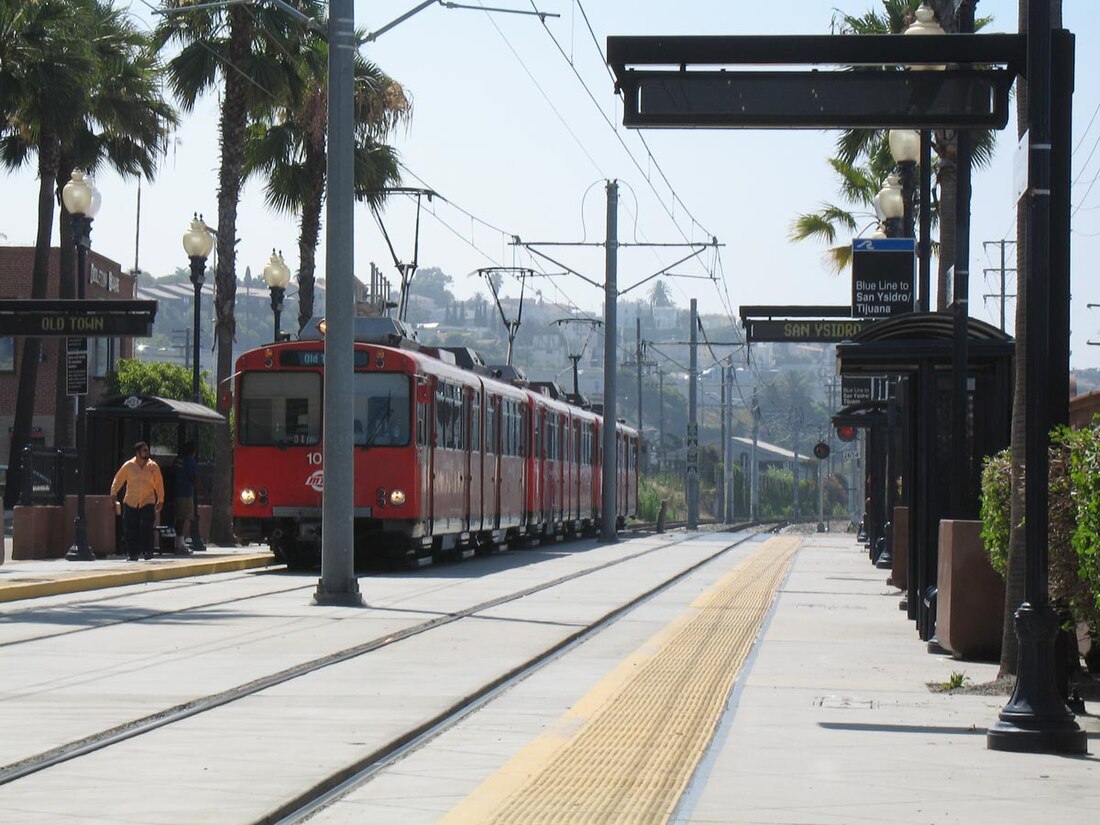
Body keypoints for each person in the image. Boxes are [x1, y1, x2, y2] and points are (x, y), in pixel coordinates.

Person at [110, 442, 164, 561]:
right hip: (131, 501)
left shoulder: (153, 466)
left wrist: (161, 499)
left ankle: (148, 551)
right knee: (131, 528)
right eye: (144, 450)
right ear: (137, 453)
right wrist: (113, 493)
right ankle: (132, 553)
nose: (146, 453)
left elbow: (159, 484)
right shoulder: (128, 466)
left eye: (147, 450)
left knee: (147, 527)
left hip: (148, 500)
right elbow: (118, 479)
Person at [173, 443, 202, 554]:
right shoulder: (189, 461)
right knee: (183, 519)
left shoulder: (178, 460)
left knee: (180, 519)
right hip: (185, 493)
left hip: (176, 491)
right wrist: (203, 491)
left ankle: (179, 543)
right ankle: (179, 545)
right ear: (193, 452)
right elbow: (193, 477)